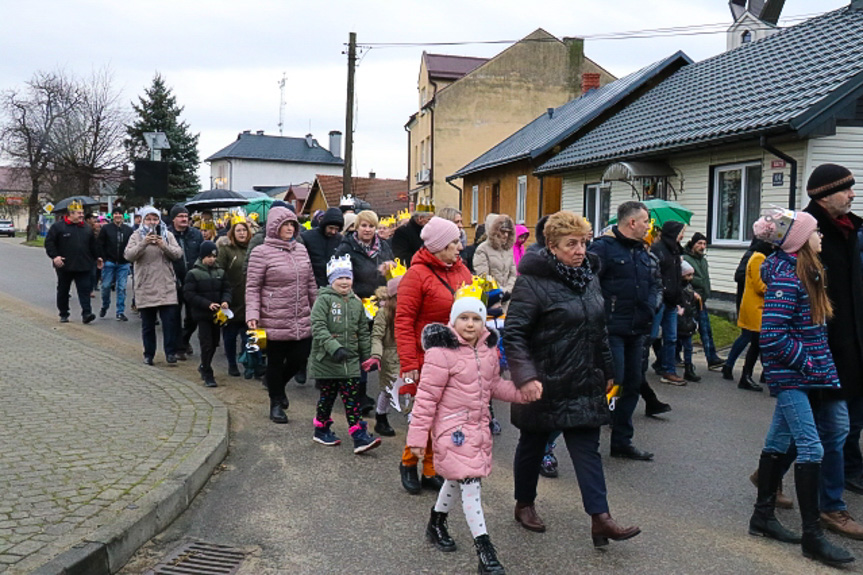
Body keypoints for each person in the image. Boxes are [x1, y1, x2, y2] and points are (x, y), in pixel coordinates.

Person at [505, 210, 641, 546]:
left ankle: (601, 518)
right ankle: (524, 504)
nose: (580, 250)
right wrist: (524, 377)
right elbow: (515, 334)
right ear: (551, 246)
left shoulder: (590, 276)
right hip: (544, 382)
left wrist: (608, 370)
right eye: (571, 244)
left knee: (587, 450)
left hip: (584, 379)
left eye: (583, 242)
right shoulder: (532, 281)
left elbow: (598, 329)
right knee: (532, 446)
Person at [750, 207, 854, 566]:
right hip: (793, 377)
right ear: (798, 241)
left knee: (778, 442)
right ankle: (813, 536)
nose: (821, 236)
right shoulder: (787, 277)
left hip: (803, 376)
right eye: (815, 232)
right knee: (812, 448)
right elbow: (773, 336)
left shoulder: (806, 271)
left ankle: (761, 517)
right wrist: (810, 366)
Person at [408, 294, 526, 575]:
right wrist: (415, 437)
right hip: (452, 430)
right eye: (464, 318)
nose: (470, 324)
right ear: (453, 320)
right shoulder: (440, 353)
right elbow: (426, 399)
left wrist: (523, 394)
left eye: (476, 318)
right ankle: (485, 553)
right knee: (471, 485)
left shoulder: (488, 350)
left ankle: (436, 523)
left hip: (478, 426)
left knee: (456, 477)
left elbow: (494, 385)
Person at [804, 163, 863, 537]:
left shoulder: (851, 230)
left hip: (850, 342)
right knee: (835, 428)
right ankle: (832, 507)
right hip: (818, 349)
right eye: (847, 190)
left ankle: (769, 476)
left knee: (805, 429)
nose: (853, 195)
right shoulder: (807, 232)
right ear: (825, 195)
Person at [395, 216, 471, 494]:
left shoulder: (463, 271)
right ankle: (408, 463)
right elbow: (403, 320)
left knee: (444, 419)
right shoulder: (416, 275)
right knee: (425, 417)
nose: (460, 247)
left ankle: (430, 469)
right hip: (425, 357)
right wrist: (409, 363)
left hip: (456, 356)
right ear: (439, 246)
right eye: (454, 242)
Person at [588, 201, 662, 460]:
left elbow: (654, 283)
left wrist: (651, 307)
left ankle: (622, 441)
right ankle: (589, 441)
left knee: (632, 383)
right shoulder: (603, 249)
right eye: (645, 221)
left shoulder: (642, 251)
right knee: (613, 384)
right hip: (612, 330)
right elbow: (590, 286)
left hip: (637, 329)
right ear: (632, 222)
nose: (648, 227)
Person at [245, 207, 317, 424]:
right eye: (285, 225)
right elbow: (252, 287)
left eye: (292, 225)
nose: (289, 229)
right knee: (275, 362)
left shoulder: (301, 250)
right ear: (275, 227)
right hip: (272, 317)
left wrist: (317, 308)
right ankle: (276, 402)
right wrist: (252, 313)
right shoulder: (261, 252)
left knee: (299, 358)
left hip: (301, 315)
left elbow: (311, 283)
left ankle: (275, 383)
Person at [308, 255, 381, 453]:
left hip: (350, 362)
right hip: (328, 360)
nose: (344, 282)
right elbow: (318, 327)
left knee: (352, 398)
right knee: (328, 396)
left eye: (347, 278)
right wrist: (335, 348)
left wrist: (368, 356)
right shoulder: (323, 300)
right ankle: (321, 428)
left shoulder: (357, 304)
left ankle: (359, 436)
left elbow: (363, 332)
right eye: (339, 278)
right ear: (331, 280)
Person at [124, 206, 183, 365]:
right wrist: (143, 243)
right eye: (148, 219)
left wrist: (163, 245)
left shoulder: (167, 234)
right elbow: (129, 255)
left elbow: (178, 254)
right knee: (148, 325)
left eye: (155, 219)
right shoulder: (136, 236)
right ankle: (149, 354)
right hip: (146, 285)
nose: (152, 222)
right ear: (142, 220)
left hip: (166, 285)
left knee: (169, 323)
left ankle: (170, 353)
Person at [183, 240, 231, 388]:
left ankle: (204, 365)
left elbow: (227, 289)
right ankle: (207, 372)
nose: (212, 259)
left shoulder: (220, 272)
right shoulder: (193, 273)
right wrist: (206, 304)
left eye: (214, 256)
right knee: (206, 343)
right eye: (209, 256)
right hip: (202, 315)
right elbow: (189, 294)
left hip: (217, 315)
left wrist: (225, 301)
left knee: (215, 342)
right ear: (202, 256)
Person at [45, 202, 101, 323]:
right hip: (65, 266)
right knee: (63, 290)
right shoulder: (58, 227)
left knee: (85, 291)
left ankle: (87, 313)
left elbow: (93, 246)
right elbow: (49, 243)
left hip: (83, 265)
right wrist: (55, 257)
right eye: (79, 213)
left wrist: (98, 257)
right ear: (70, 214)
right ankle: (64, 313)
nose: (82, 215)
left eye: (82, 213)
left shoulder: (86, 228)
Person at [722, 238, 768, 381]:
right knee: (748, 336)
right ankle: (729, 365)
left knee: (757, 339)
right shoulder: (754, 256)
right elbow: (739, 276)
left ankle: (763, 373)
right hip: (747, 301)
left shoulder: (759, 255)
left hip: (751, 301)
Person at [683, 231, 725, 370]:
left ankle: (712, 358)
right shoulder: (686, 259)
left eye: (704, 244)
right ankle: (673, 358)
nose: (702, 246)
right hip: (690, 300)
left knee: (706, 330)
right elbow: (684, 279)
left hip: (701, 301)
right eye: (699, 243)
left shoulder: (702, 260)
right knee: (686, 331)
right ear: (693, 244)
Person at [363, 282, 401, 437]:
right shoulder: (384, 313)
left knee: (410, 389)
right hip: (390, 356)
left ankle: (414, 421)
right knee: (389, 388)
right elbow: (377, 336)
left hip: (406, 354)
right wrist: (376, 356)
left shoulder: (413, 311)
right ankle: (381, 417)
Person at [736, 240, 774, 392]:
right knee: (758, 343)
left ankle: (753, 375)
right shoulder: (759, 258)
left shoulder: (760, 256)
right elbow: (759, 285)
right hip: (756, 307)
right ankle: (747, 376)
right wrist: (775, 290)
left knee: (758, 343)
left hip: (757, 306)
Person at [652, 220, 687, 385]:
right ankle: (638, 366)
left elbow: (677, 277)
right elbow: (656, 275)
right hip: (660, 300)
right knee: (651, 336)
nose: (683, 235)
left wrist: (679, 297)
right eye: (681, 231)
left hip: (672, 300)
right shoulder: (658, 250)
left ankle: (668, 369)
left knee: (671, 337)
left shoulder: (676, 251)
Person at [216, 217, 251, 377]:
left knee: (249, 335)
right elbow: (220, 271)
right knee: (230, 334)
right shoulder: (226, 248)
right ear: (233, 233)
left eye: (244, 230)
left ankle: (247, 362)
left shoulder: (253, 247)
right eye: (238, 230)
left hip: (248, 297)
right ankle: (231, 363)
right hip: (231, 297)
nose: (242, 233)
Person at [168, 204, 204, 360]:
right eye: (181, 216)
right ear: (173, 219)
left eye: (186, 216)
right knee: (174, 316)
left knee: (194, 316)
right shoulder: (167, 235)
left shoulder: (196, 234)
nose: (184, 219)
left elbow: (202, 255)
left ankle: (184, 338)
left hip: (193, 282)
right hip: (173, 280)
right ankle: (179, 347)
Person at [97, 207, 134, 321]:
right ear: (112, 216)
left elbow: (132, 245)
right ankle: (105, 305)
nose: (118, 216)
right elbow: (100, 244)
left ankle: (120, 312)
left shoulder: (128, 230)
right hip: (109, 262)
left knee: (121, 287)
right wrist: (102, 257)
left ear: (123, 216)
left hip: (123, 263)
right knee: (106, 286)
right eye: (116, 214)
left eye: (120, 214)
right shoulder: (106, 229)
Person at [474, 214, 517, 302]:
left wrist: (508, 290)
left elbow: (513, 273)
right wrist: (499, 291)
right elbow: (483, 276)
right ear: (493, 231)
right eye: (502, 231)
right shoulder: (482, 249)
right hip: (491, 299)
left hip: (507, 299)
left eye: (508, 232)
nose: (506, 235)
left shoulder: (508, 250)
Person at [301, 207, 345, 288]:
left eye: (336, 229)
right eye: (331, 228)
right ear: (324, 224)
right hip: (312, 285)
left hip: (333, 286)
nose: (333, 232)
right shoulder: (307, 237)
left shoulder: (341, 240)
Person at [678, 261, 701, 382]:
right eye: (688, 275)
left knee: (688, 346)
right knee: (673, 343)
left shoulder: (689, 288)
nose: (691, 278)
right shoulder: (679, 288)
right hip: (680, 319)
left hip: (688, 320)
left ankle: (688, 367)